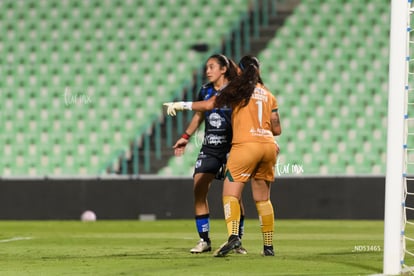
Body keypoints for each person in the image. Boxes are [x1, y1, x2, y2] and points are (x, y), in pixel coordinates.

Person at [164, 55, 282, 257]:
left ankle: (234, 237)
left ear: (240, 72)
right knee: (263, 200)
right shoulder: (268, 94)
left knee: (230, 194)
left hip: (245, 146)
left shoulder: (237, 90)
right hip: (269, 146)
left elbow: (210, 105)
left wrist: (181, 104)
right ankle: (268, 247)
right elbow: (277, 128)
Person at [168, 54, 248, 254]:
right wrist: (185, 136)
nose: (208, 70)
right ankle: (204, 240)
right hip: (210, 148)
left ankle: (236, 239)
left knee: (235, 196)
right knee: (198, 188)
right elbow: (199, 115)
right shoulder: (204, 90)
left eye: (212, 67)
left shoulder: (235, 91)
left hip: (232, 147)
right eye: (206, 67)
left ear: (223, 69)